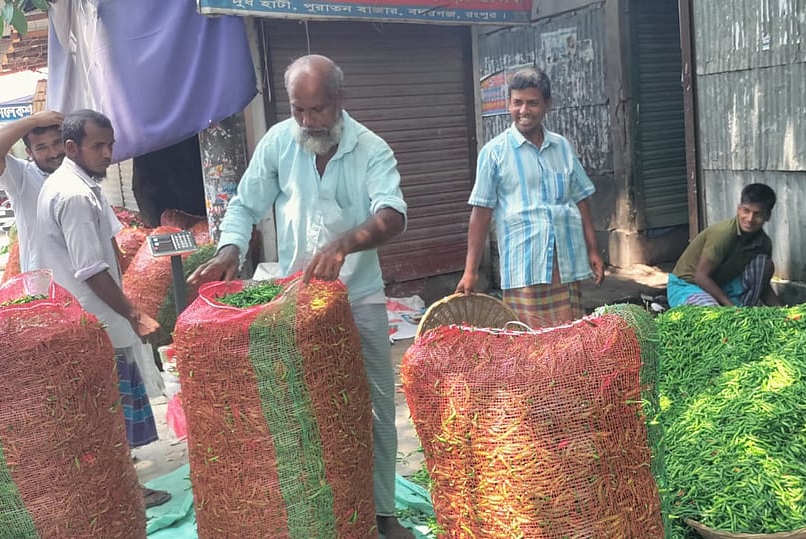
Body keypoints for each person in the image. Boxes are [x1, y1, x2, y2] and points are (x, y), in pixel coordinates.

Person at [188, 55, 413, 539]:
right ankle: (315, 507)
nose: (309, 122)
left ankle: (383, 512)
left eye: (318, 110)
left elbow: (392, 214)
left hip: (360, 298)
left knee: (374, 406)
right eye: (299, 111)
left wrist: (345, 244)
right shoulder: (277, 143)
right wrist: (230, 250)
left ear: (340, 101)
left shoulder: (372, 149)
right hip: (297, 304)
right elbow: (245, 203)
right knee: (302, 404)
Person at [32, 109, 169, 508]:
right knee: (106, 414)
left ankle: (116, 488)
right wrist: (135, 313)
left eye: (110, 145)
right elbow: (90, 268)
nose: (108, 153)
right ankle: (121, 494)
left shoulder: (75, 185)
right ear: (72, 147)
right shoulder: (73, 194)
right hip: (94, 322)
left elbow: (105, 252)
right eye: (98, 146)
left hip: (89, 320)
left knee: (103, 413)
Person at [455, 66, 605, 328]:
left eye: (532, 103)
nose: (524, 111)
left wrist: (593, 250)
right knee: (528, 342)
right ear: (509, 104)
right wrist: (471, 271)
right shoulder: (494, 153)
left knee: (568, 337)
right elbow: (481, 214)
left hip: (565, 261)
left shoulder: (562, 147)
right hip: (524, 264)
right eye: (517, 103)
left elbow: (581, 199)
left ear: (547, 104)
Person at [667, 183, 784, 307]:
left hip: (722, 287)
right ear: (739, 209)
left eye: (758, 214)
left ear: (767, 216)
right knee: (713, 316)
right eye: (746, 211)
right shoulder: (723, 233)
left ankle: (741, 310)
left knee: (764, 264)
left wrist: (782, 312)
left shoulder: (763, 243)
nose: (750, 219)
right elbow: (701, 277)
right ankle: (731, 311)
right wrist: (731, 308)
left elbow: (763, 285)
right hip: (687, 286)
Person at [0, 110, 65, 273]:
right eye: (42, 147)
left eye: (57, 143)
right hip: (45, 285)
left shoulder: (81, 174)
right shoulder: (22, 176)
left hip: (89, 284)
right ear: (29, 153)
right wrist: (34, 120)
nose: (54, 153)